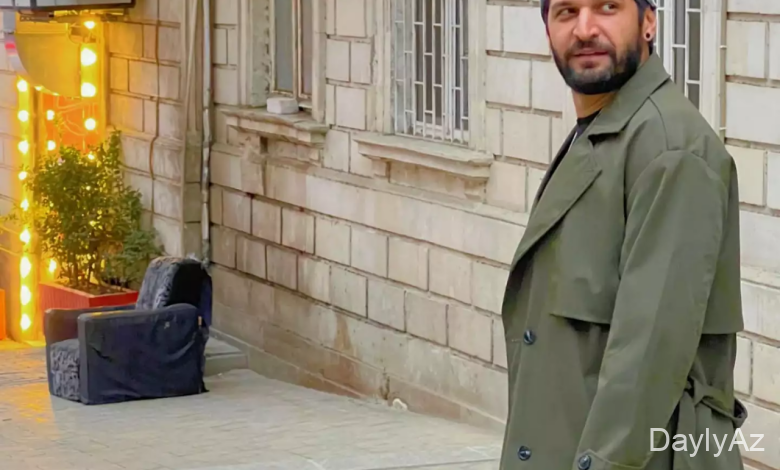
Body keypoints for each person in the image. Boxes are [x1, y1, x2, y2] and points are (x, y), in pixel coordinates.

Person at [499, 0, 748, 469]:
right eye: (566, 12)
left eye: (607, 7)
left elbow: (647, 359)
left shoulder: (670, 149)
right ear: (547, 29)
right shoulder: (606, 130)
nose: (585, 29)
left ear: (648, 22)